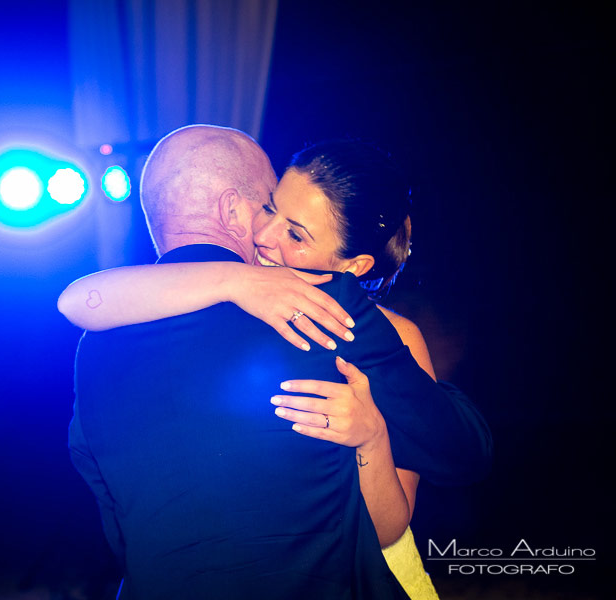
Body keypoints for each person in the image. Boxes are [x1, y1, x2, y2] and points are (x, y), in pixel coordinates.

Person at [65, 125, 490, 599]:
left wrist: (373, 434)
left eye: (295, 232)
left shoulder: (95, 345)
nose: (266, 236)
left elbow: (116, 521)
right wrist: (234, 279)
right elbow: (77, 299)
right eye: (269, 207)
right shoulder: (304, 307)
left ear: (353, 266)